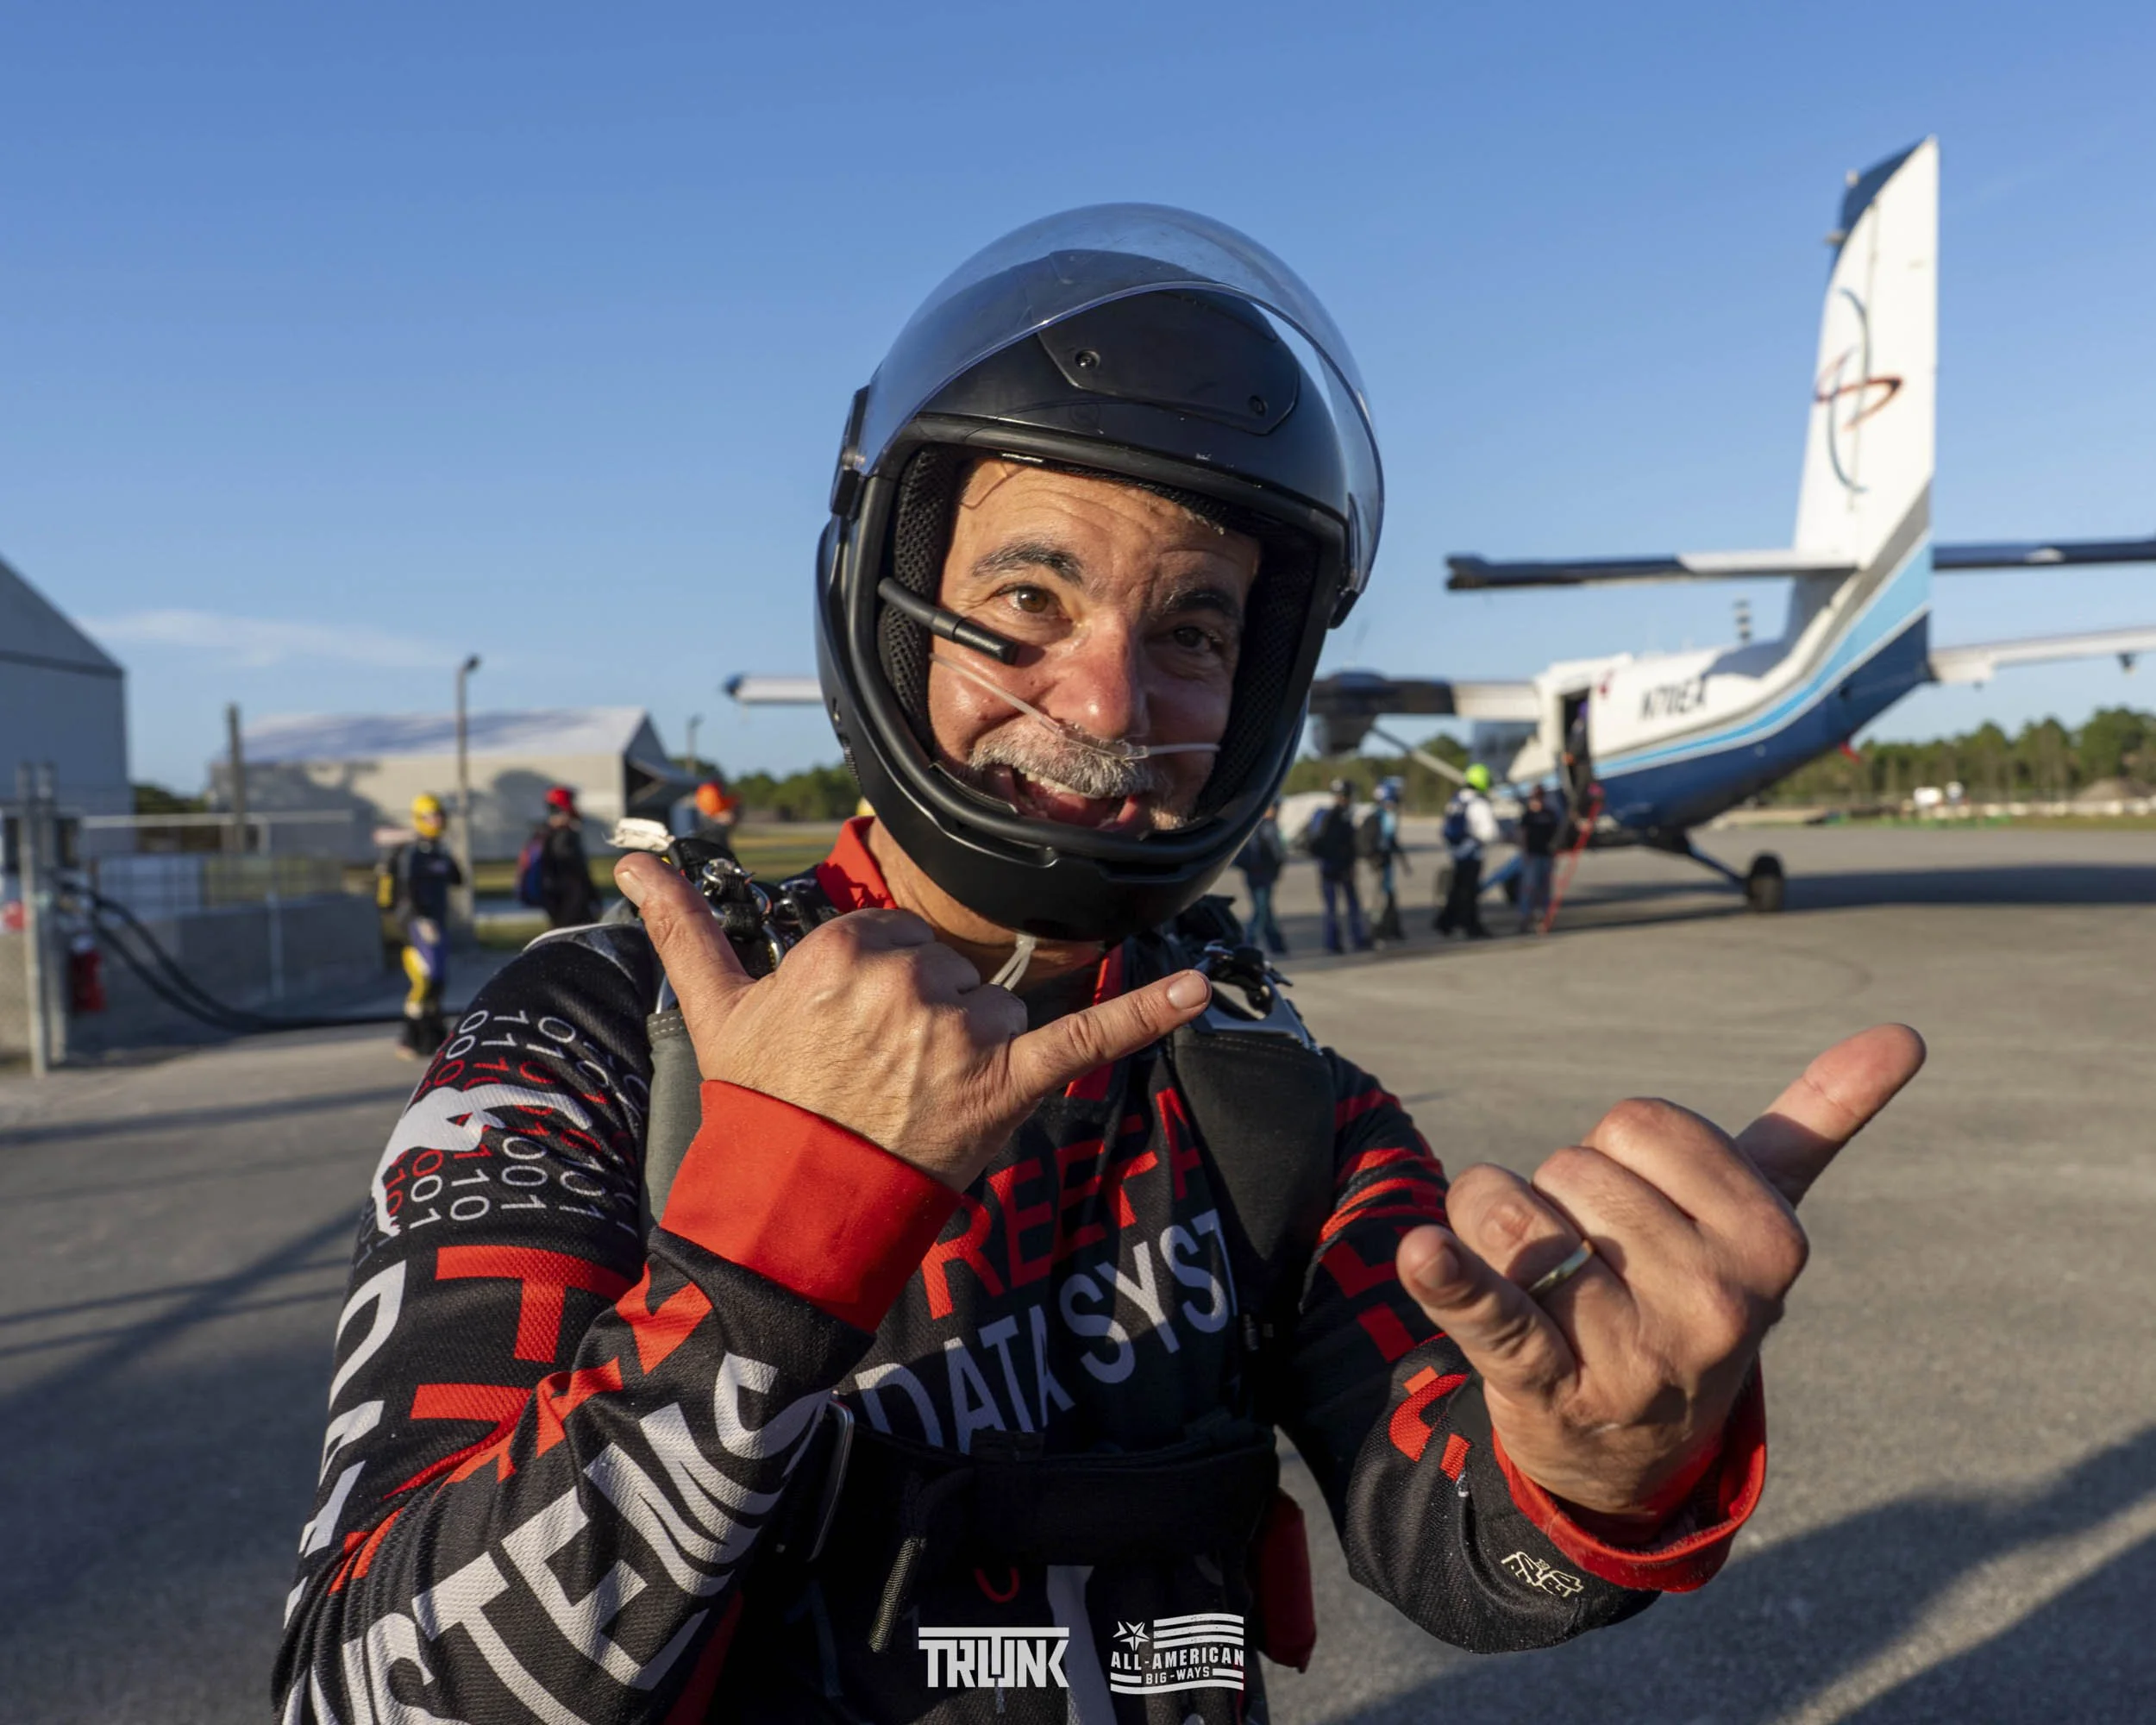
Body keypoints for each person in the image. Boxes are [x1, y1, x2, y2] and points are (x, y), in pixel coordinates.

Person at [279, 207, 1923, 1725]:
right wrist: (780, 1224)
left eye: (1194, 631)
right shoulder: (606, 1026)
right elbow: (363, 1690)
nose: (1108, 700)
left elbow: (1463, 1530)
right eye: (1025, 598)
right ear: (892, 605)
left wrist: (1604, 1464)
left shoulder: (1269, 1098)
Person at [375, 792, 463, 1058]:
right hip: (417, 924)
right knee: (424, 980)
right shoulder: (412, 852)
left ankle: (434, 1035)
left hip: (437, 922)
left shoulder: (438, 849)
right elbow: (405, 891)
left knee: (438, 981)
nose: (437, 821)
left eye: (440, 815)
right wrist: (419, 919)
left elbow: (457, 878)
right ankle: (411, 1036)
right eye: (431, 816)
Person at [1433, 763, 1501, 939]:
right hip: (1472, 853)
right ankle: (1471, 925)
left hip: (1457, 852)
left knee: (1458, 888)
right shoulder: (1479, 804)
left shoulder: (1456, 801)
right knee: (1469, 891)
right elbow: (1490, 832)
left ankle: (1446, 922)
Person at [1303, 776, 1370, 953]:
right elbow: (1340, 844)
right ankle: (1344, 940)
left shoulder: (1336, 817)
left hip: (1333, 868)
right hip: (1336, 869)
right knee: (1342, 907)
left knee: (1338, 907)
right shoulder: (1336, 818)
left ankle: (1338, 941)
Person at [535, 783, 601, 928]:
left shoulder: (544, 832)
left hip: (553, 893)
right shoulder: (563, 834)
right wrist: (592, 895)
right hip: (569, 894)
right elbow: (574, 866)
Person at [1233, 797, 1289, 954]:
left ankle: (1276, 944)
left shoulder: (1259, 826)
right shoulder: (1264, 827)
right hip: (1260, 875)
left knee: (1266, 910)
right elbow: (1277, 853)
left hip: (1260, 875)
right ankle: (1247, 944)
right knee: (1261, 911)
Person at [1364, 774, 1409, 943]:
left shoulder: (1387, 817)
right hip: (1380, 863)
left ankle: (1393, 929)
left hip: (1386, 862)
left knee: (1389, 896)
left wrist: (1404, 861)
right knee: (1379, 899)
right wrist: (1375, 859)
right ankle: (1376, 932)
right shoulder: (1378, 818)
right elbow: (1372, 843)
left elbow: (1392, 840)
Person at [1516, 781, 1562, 934]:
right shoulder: (1528, 815)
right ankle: (1525, 917)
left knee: (1544, 888)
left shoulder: (1549, 814)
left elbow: (1556, 836)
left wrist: (1555, 853)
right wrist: (1525, 853)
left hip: (1546, 855)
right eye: (1535, 797)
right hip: (1533, 855)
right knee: (1529, 887)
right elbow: (1523, 835)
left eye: (1540, 796)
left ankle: (1544, 918)